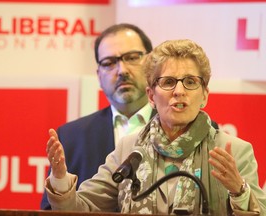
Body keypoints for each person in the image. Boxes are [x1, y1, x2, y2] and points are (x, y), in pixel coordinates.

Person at [44, 39, 266, 215]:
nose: (179, 91)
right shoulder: (129, 149)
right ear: (151, 95)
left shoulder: (232, 150)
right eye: (168, 82)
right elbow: (80, 209)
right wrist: (60, 178)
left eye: (190, 82)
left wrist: (239, 191)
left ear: (204, 95)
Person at [40, 23, 156, 209]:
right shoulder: (71, 137)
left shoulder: (184, 129)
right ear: (99, 75)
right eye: (109, 63)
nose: (122, 70)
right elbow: (51, 211)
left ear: (152, 64)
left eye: (132, 58)